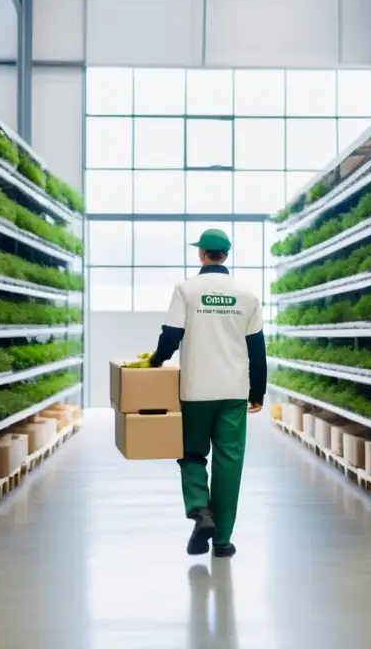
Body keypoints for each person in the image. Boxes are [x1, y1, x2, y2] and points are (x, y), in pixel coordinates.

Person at [149, 228, 267, 559]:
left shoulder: (187, 289)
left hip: (196, 390)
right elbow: (257, 349)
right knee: (229, 463)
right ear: (225, 256)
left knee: (191, 453)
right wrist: (257, 391)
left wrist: (154, 362)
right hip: (233, 391)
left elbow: (171, 336)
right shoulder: (246, 295)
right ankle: (223, 541)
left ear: (201, 254)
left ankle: (200, 511)